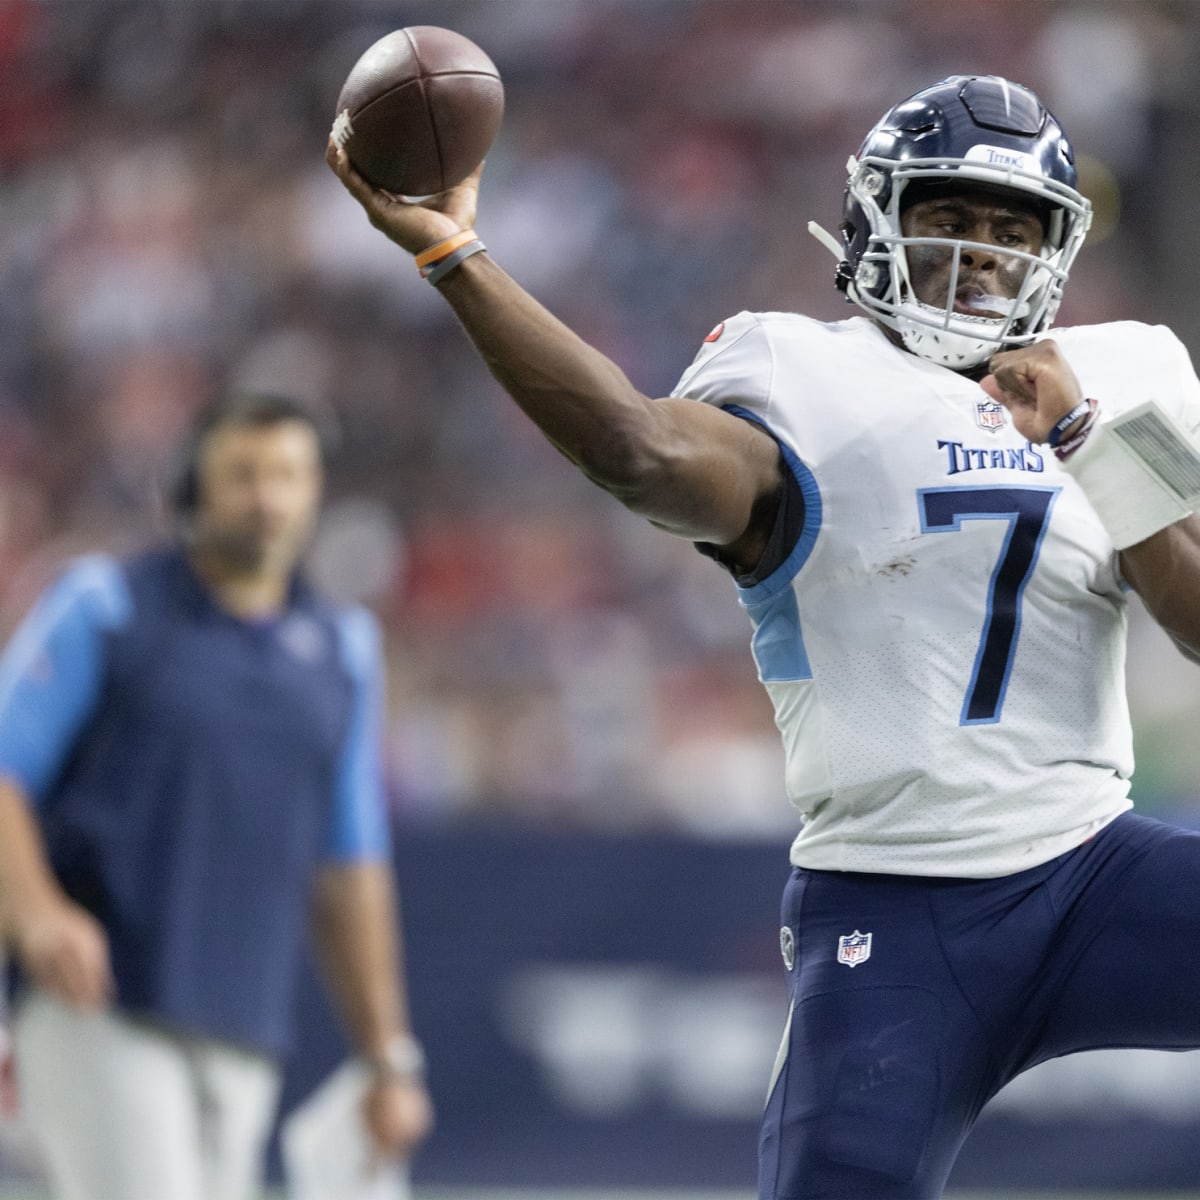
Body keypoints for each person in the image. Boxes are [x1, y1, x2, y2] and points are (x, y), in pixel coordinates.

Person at [329, 71, 1200, 1198]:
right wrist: (459, 257)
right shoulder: (797, 368)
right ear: (876, 219)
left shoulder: (1122, 372)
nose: (980, 253)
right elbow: (638, 450)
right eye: (948, 215)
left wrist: (1085, 438)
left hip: (1092, 873)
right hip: (897, 907)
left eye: (1011, 228)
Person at [0, 392, 434, 1200]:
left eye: (287, 475)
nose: (266, 498)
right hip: (96, 1001)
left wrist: (387, 1057)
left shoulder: (342, 651)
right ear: (193, 488)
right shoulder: (109, 608)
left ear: (316, 490)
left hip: (240, 1018)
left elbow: (350, 860)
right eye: (243, 474)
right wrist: (36, 915)